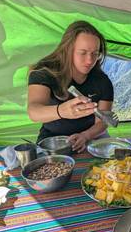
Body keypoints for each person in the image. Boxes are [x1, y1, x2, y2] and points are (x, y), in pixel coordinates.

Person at [27, 20, 113, 153]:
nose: (90, 60)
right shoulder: (45, 72)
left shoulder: (102, 81)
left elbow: (102, 121)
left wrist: (86, 136)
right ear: (68, 50)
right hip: (53, 140)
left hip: (91, 137)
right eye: (83, 52)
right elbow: (34, 111)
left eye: (95, 53)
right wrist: (62, 111)